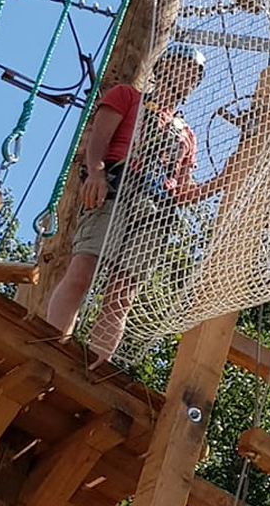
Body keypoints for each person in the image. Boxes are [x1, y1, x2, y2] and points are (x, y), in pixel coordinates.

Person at [46, 42, 230, 365]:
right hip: (117, 189)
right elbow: (97, 140)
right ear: (162, 68)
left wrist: (221, 181)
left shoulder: (186, 135)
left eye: (193, 75)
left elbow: (181, 191)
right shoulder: (127, 97)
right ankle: (52, 342)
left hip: (156, 209)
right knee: (83, 270)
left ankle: (95, 363)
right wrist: (96, 173)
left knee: (122, 293)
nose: (186, 77)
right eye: (180, 67)